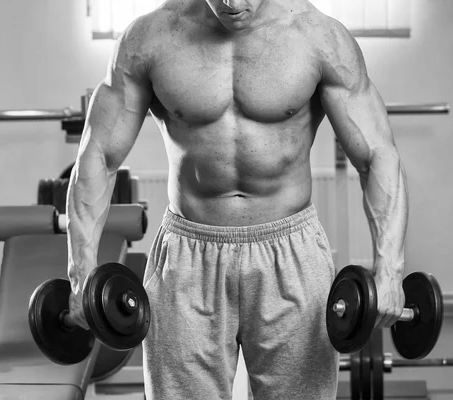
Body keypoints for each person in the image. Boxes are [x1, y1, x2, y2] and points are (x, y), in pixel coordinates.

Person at [65, 0, 409, 398]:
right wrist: (80, 274)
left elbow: (377, 155)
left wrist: (390, 271)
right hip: (187, 258)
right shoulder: (149, 39)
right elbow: (98, 157)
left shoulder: (318, 37)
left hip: (291, 256)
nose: (231, 2)